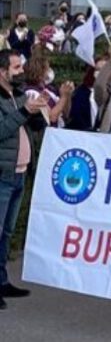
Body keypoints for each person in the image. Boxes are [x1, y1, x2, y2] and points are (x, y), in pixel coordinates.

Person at [0, 49, 48, 310]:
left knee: (6, 233)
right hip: (3, 175)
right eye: (16, 67)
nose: (21, 72)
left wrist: (36, 112)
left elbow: (27, 128)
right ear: (2, 71)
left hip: (19, 173)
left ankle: (2, 279)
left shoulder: (18, 94)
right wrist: (23, 112)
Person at [23, 55, 73, 128]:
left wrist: (67, 95)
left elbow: (65, 113)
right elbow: (51, 117)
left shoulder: (49, 89)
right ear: (39, 72)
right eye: (47, 69)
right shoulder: (31, 92)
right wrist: (64, 97)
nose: (50, 71)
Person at [67, 61, 107, 132]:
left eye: (104, 69)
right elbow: (74, 115)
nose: (100, 72)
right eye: (97, 69)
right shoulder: (82, 92)